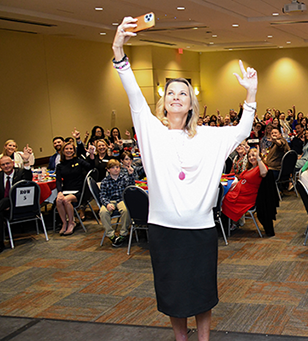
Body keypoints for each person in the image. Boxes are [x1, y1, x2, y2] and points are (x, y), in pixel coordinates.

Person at [113, 17, 257, 341]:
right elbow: (133, 91)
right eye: (171, 93)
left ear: (192, 103)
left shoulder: (209, 137)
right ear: (163, 103)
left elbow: (243, 131)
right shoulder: (150, 132)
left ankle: (203, 339)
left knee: (202, 292)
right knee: (173, 296)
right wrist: (118, 47)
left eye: (184, 93)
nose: (177, 97)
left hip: (200, 230)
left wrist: (251, 95)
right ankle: (181, 338)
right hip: (165, 230)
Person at [0, 156, 33, 254]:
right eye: (3, 165)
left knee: (4, 201)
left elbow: (29, 179)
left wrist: (26, 161)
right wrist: (0, 205)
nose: (6, 166)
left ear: (12, 163)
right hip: (3, 206)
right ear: (0, 166)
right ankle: (0, 243)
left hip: (19, 204)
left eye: (8, 163)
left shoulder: (20, 172)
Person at [55, 142, 94, 235]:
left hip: (79, 190)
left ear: (74, 151)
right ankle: (64, 223)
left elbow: (92, 168)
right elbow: (58, 181)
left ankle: (71, 222)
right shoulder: (60, 166)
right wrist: (59, 192)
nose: (69, 151)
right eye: (66, 149)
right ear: (63, 151)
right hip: (66, 189)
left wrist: (92, 154)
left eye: (71, 149)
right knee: (58, 200)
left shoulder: (79, 161)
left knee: (66, 200)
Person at [222, 148, 267, 229]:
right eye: (249, 156)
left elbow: (264, 173)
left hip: (248, 196)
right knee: (223, 196)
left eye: (253, 155)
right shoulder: (251, 167)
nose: (251, 158)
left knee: (224, 199)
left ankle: (233, 222)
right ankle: (232, 222)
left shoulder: (260, 167)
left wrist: (259, 159)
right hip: (241, 193)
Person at [99, 159, 134, 247]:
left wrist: (130, 175)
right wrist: (107, 203)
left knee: (125, 210)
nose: (116, 169)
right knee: (103, 212)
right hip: (110, 200)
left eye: (117, 167)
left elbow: (131, 188)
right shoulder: (105, 181)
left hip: (121, 199)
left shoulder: (124, 178)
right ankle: (111, 235)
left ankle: (123, 233)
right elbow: (102, 196)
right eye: (113, 168)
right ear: (108, 170)